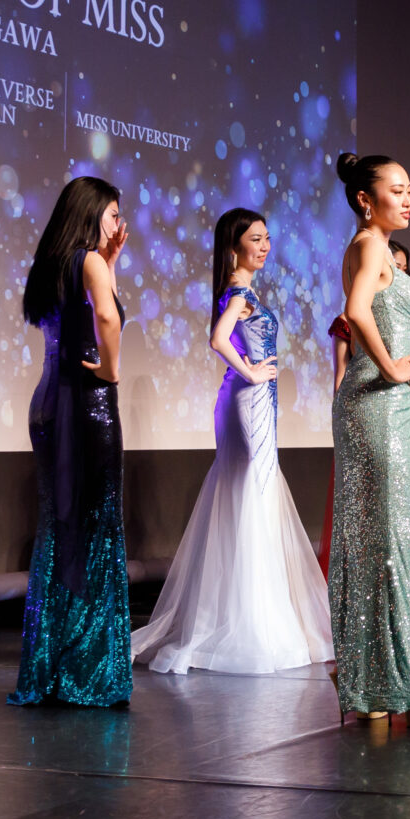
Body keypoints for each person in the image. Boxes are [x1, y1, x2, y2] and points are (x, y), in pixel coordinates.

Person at [130, 208, 333, 675]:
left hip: (252, 400)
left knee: (249, 494)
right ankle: (249, 622)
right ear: (233, 246)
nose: (264, 246)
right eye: (255, 239)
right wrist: (251, 373)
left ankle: (243, 613)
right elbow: (218, 340)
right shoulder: (238, 293)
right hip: (249, 401)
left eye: (267, 238)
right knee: (252, 494)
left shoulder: (241, 290)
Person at [328, 153, 410, 725]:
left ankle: (376, 687)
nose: (407, 199)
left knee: (382, 544)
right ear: (364, 199)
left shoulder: (369, 247)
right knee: (390, 543)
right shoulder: (371, 245)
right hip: (375, 402)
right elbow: (355, 311)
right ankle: (395, 685)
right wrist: (392, 367)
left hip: (385, 406)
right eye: (396, 190)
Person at [11, 176, 134, 708]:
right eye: (112, 214)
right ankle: (89, 670)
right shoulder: (88, 262)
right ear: (90, 214)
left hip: (48, 403)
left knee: (60, 529)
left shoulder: (52, 263)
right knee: (97, 527)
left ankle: (53, 665)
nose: (118, 224)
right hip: (86, 405)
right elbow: (106, 317)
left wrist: (111, 264)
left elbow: (87, 312)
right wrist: (111, 368)